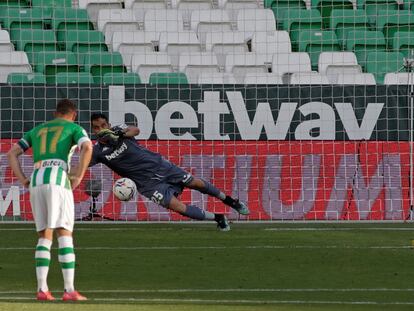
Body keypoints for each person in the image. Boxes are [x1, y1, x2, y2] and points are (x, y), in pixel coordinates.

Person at [89, 113, 250, 231]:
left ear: (109, 125)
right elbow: (82, 166)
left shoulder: (119, 131)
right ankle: (218, 217)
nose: (101, 129)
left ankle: (230, 201)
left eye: (104, 125)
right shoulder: (97, 151)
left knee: (196, 183)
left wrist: (120, 134)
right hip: (147, 184)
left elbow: (135, 130)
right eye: (97, 127)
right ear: (93, 131)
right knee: (178, 207)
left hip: (161, 166)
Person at [7, 99, 93, 301]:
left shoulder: (37, 130)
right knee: (64, 232)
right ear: (74, 114)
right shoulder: (74, 127)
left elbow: (12, 153)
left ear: (56, 113)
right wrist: (79, 176)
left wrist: (23, 180)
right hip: (58, 179)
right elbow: (88, 148)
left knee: (44, 235)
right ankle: (69, 290)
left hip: (36, 179)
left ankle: (42, 289)